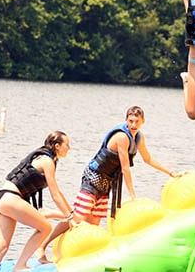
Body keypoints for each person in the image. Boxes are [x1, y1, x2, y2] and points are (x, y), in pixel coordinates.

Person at [36, 106, 182, 262]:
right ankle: (42, 247)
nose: (133, 125)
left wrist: (171, 173)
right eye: (130, 121)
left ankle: (83, 258)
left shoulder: (139, 137)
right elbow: (125, 167)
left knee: (94, 222)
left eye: (137, 122)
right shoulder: (121, 137)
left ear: (143, 122)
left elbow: (148, 159)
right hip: (93, 177)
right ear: (126, 120)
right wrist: (133, 196)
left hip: (106, 183)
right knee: (77, 217)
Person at [0, 131, 73, 272]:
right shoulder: (47, 161)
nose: (69, 148)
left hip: (1, 198)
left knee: (1, 247)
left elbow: (43, 212)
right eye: (67, 144)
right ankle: (20, 265)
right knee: (46, 228)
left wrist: (69, 215)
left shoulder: (42, 157)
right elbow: (56, 194)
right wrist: (70, 216)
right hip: (11, 198)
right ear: (57, 146)